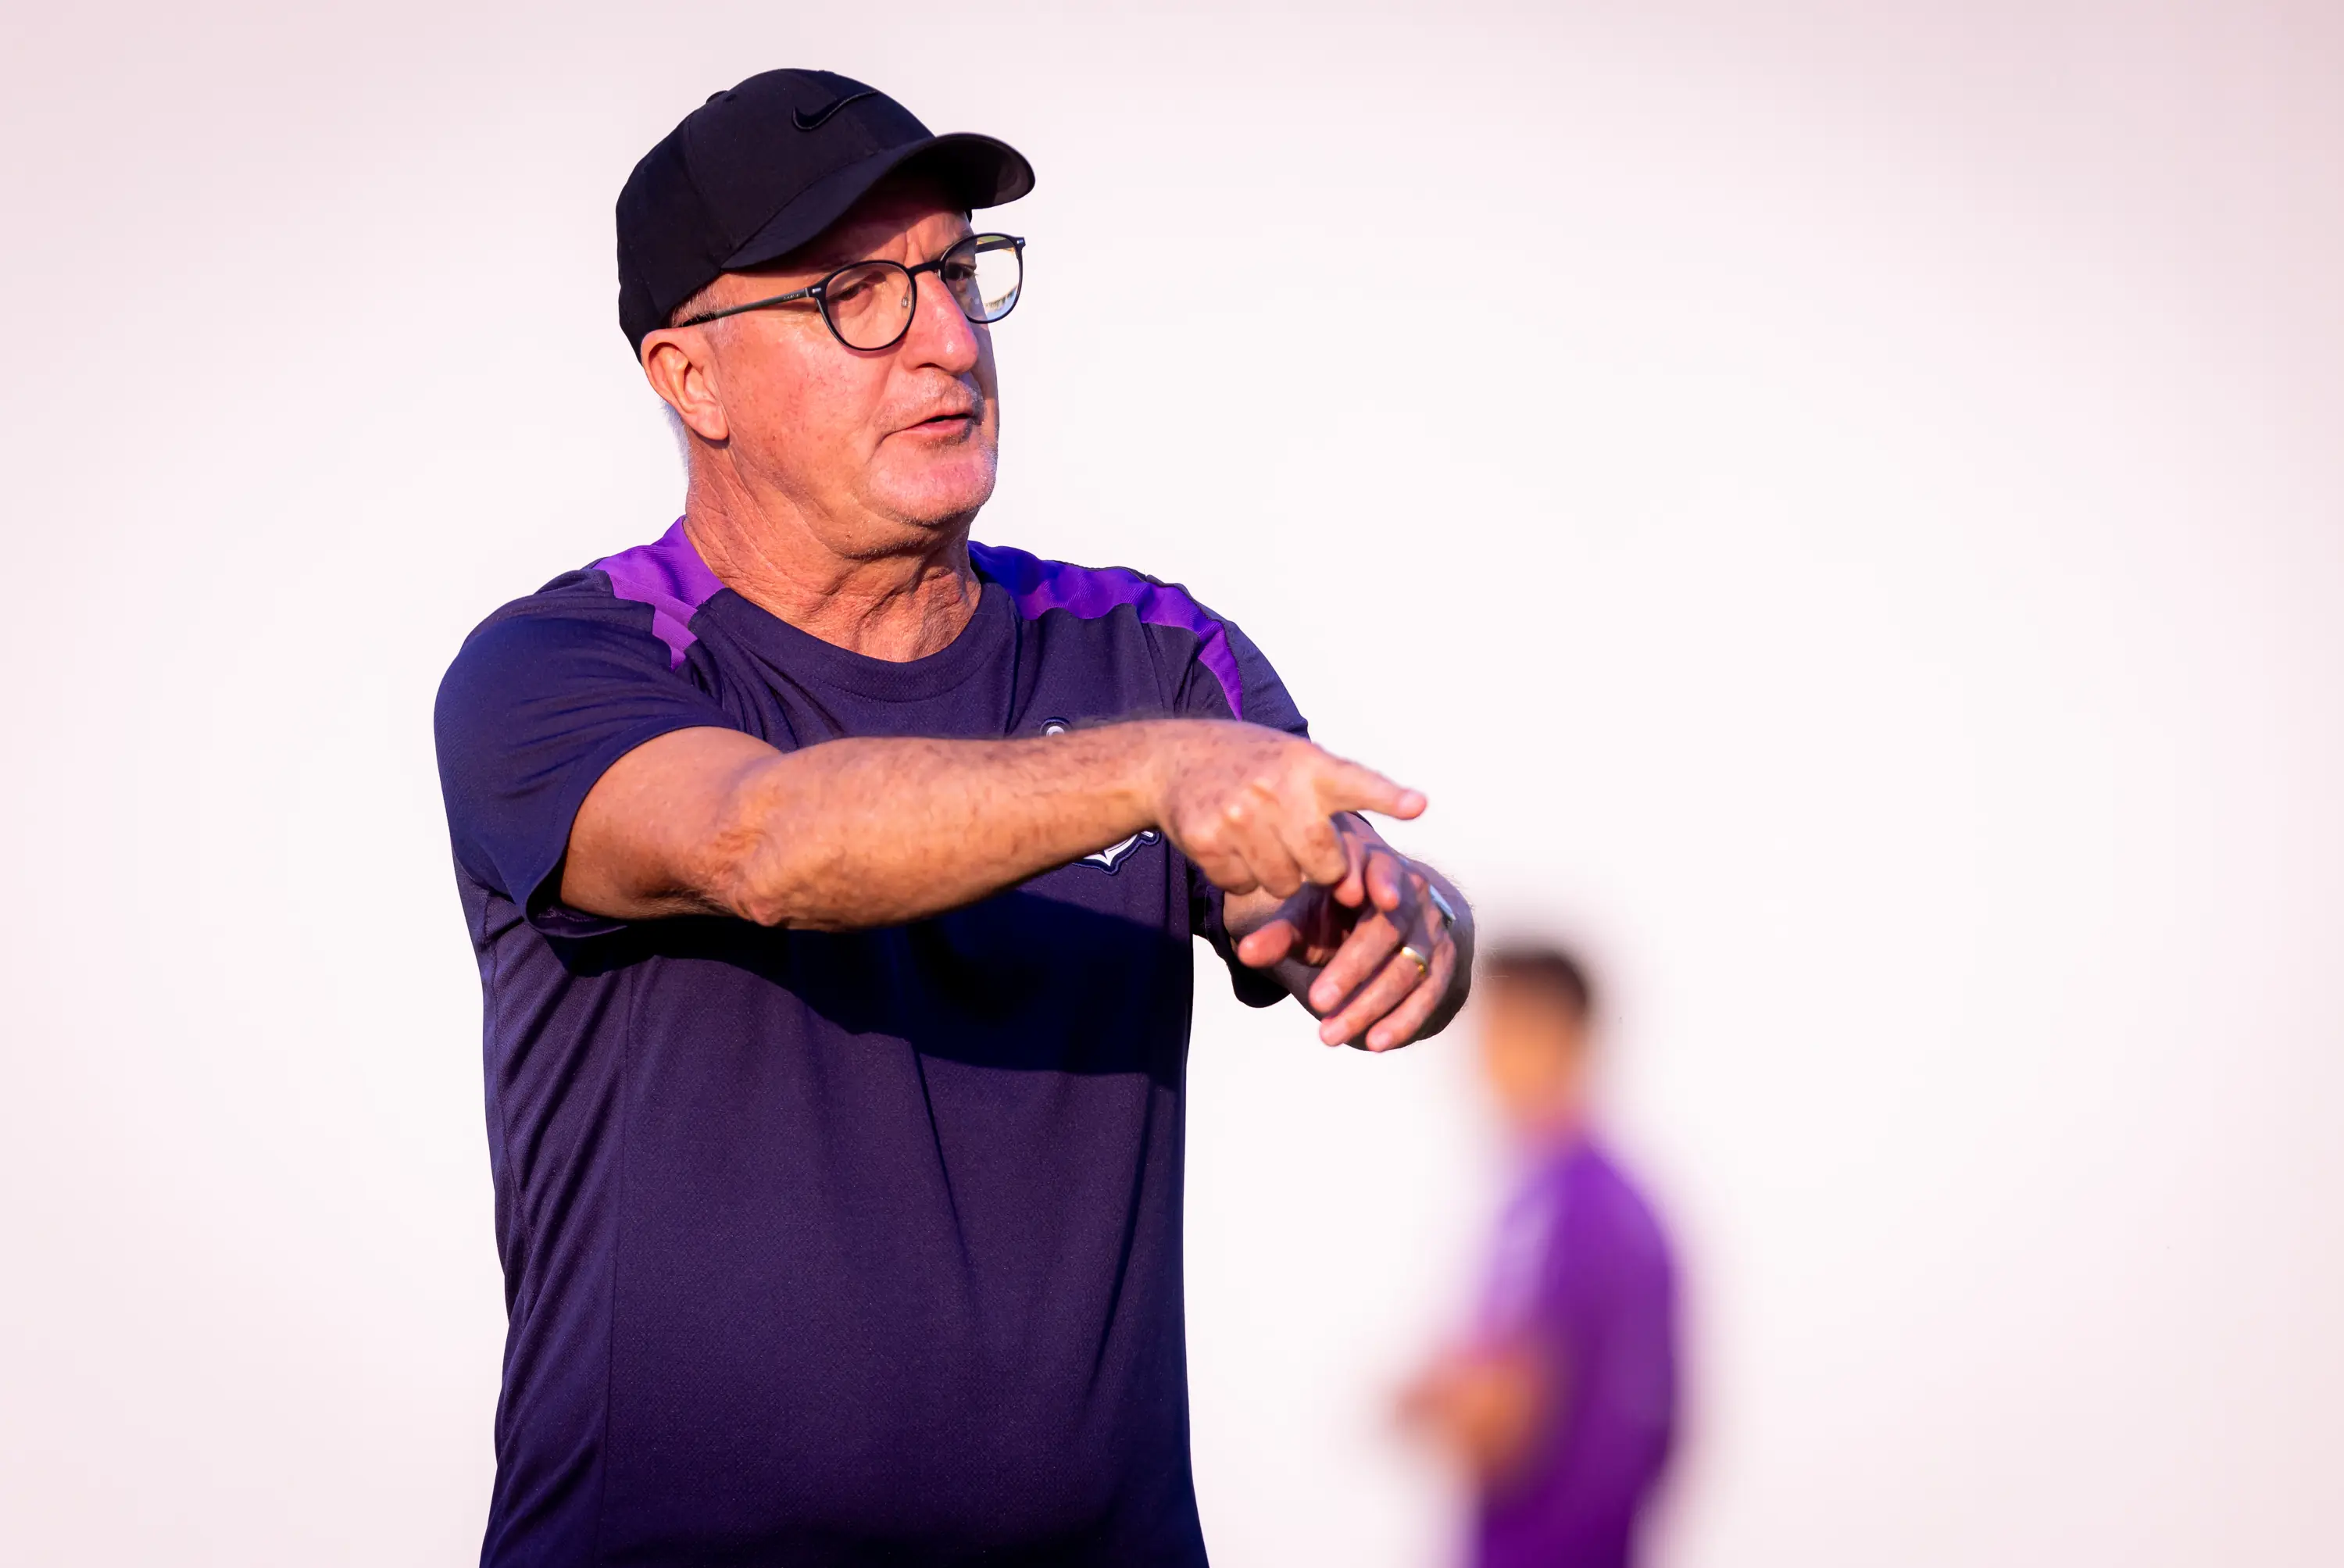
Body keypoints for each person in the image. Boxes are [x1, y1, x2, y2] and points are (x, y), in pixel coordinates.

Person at [431, 68, 1474, 1566]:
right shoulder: (562, 666)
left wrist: (1394, 920)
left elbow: (1315, 884)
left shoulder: (1153, 655)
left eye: (955, 271)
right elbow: (758, 843)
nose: (945, 339)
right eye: (853, 294)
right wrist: (1151, 775)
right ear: (690, 378)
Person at [1401, 945, 1678, 1568]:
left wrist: (1426, 1395)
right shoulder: (1613, 1202)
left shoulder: (1569, 1208)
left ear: (1551, 1035)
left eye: (1496, 1029)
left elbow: (1504, 1418)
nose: (1479, 1057)